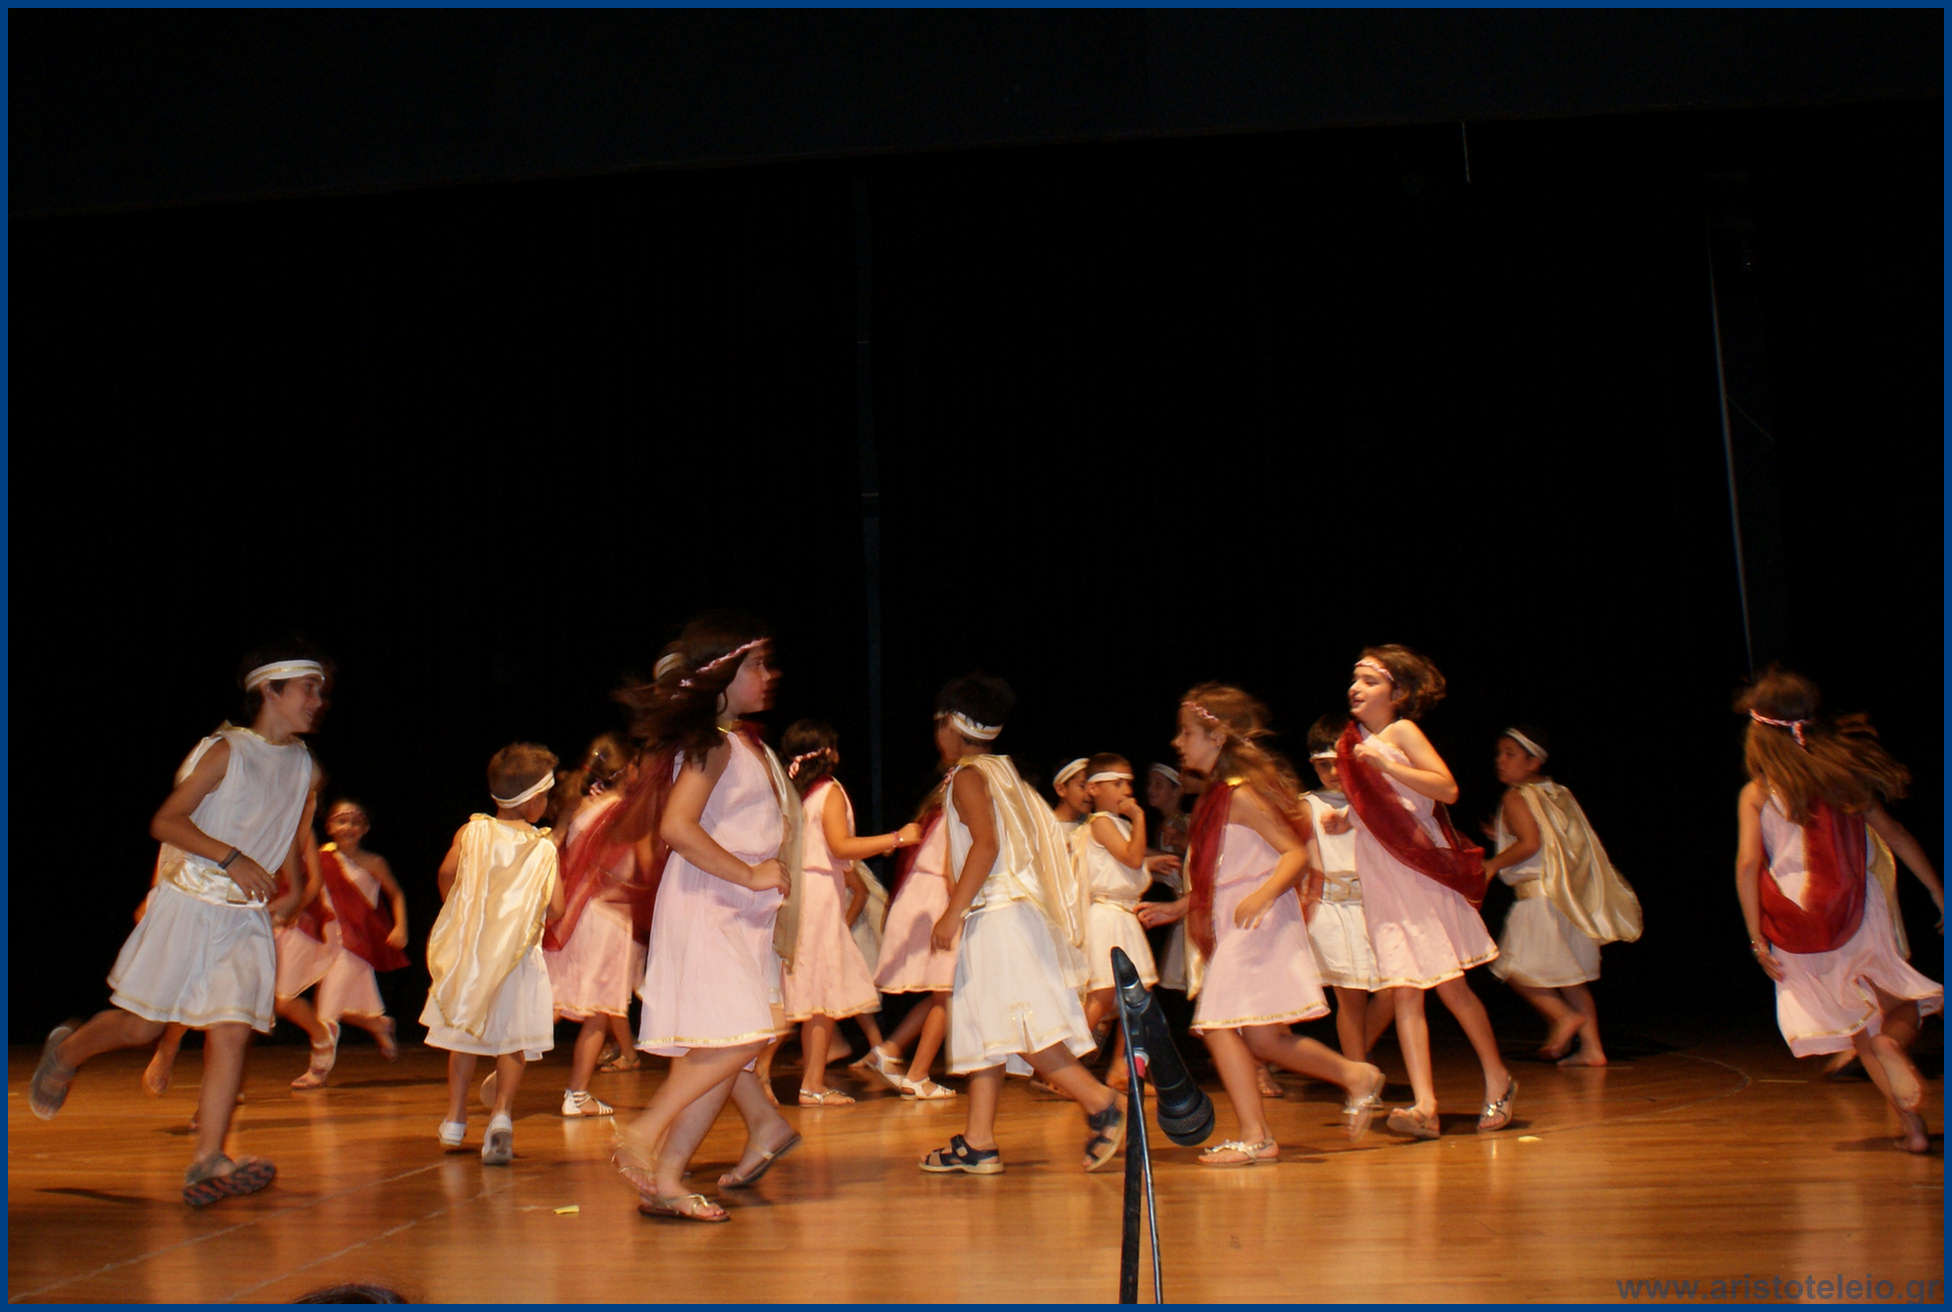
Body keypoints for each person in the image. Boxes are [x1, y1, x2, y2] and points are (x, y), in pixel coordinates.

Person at [31, 646, 327, 1206]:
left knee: (231, 1030)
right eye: (307, 688)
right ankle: (66, 1053)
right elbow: (166, 822)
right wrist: (232, 858)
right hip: (190, 902)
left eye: (319, 689)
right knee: (142, 1028)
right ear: (270, 691)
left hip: (243, 917)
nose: (318, 699)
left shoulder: (305, 766)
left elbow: (288, 825)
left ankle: (208, 1160)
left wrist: (288, 884)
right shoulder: (225, 751)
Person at [601, 614, 801, 1223]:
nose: (769, 675)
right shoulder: (712, 745)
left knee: (725, 1041)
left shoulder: (734, 742)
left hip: (736, 909)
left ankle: (668, 1177)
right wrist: (749, 874)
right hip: (711, 902)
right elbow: (677, 828)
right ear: (722, 675)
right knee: (741, 1035)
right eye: (756, 665)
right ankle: (645, 1131)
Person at [1140, 686, 1386, 1164]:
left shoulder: (1241, 795)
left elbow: (1294, 854)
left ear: (1216, 736)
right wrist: (1181, 907)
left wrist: (1265, 893)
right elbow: (1228, 873)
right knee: (1263, 1038)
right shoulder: (1218, 795)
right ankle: (1357, 1076)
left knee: (1217, 1025)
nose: (1177, 742)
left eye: (1186, 733)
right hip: (1243, 920)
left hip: (1259, 923)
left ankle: (1256, 1136)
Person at [918, 674, 1125, 1177]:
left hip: (997, 916)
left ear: (951, 726)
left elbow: (986, 846)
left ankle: (1101, 1103)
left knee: (1023, 1024)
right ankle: (979, 1141)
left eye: (938, 724)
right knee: (990, 1025)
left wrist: (952, 911)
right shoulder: (1003, 773)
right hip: (1010, 915)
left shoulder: (970, 776)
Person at [1733, 667, 1943, 1153]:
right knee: (1898, 1006)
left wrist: (1757, 938)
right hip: (1854, 907)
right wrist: (1937, 891)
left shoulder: (1756, 793)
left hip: (1797, 923)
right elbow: (1896, 835)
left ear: (1758, 735)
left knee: (1860, 1031)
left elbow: (1747, 864)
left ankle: (1913, 1131)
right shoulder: (1842, 779)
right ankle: (1896, 1051)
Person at [1325, 646, 1513, 1140]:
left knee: (1452, 988)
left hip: (1418, 873)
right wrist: (1347, 817)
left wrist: (1385, 765)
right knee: (1405, 991)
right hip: (1383, 877)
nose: (1356, 688)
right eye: (1355, 679)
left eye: (1369, 681)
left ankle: (1498, 1078)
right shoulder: (1358, 742)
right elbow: (1383, 807)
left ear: (1398, 693)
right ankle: (1426, 1106)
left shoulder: (1401, 733)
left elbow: (1445, 790)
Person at [422, 743, 565, 1163]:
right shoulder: (542, 848)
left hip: (473, 955)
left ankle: (455, 1119)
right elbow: (557, 906)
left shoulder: (472, 832)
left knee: (463, 1033)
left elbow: (446, 874)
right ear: (534, 800)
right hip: (518, 958)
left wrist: (459, 909)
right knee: (513, 1042)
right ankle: (501, 1116)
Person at [777, 719, 920, 1105]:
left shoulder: (797, 796)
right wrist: (897, 837)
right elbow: (840, 846)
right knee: (818, 993)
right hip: (819, 894)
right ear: (828, 753)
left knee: (810, 995)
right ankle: (807, 1084)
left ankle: (809, 1082)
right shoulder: (829, 792)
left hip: (800, 892)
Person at [1482, 726, 1641, 1068]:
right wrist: (1502, 835)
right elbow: (1553, 838)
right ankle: (1592, 1049)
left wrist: (1493, 864)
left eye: (1510, 754)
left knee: (1513, 970)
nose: (1500, 760)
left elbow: (1530, 843)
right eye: (1499, 754)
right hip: (1568, 900)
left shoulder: (1515, 796)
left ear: (1533, 762)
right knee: (1572, 979)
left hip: (1538, 900)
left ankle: (1563, 1018)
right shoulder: (1557, 793)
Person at [544, 734, 649, 1118]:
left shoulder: (577, 805)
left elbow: (553, 848)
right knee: (599, 1008)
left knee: (554, 1001)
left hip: (572, 916)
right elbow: (642, 868)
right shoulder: (627, 813)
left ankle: (507, 1066)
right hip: (608, 918)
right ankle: (577, 1094)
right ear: (626, 770)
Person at [1300, 716, 1395, 1079]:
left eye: (1338, 763)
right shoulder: (1308, 805)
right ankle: (1360, 1079)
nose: (1332, 773)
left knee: (1394, 989)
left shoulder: (1374, 801)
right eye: (1323, 765)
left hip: (1374, 907)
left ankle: (1353, 1064)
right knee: (1351, 996)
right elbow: (1306, 861)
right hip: (1332, 908)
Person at [856, 777, 960, 1099]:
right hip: (935, 901)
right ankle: (918, 1075)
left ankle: (889, 1049)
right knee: (948, 993)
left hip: (914, 898)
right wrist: (960, 910)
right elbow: (951, 871)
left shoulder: (930, 818)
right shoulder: (955, 819)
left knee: (942, 989)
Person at [1071, 753, 1156, 1092]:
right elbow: (1132, 858)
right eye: (1117, 783)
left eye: (1128, 783)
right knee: (1103, 994)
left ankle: (1122, 1069)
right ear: (1094, 788)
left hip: (1123, 915)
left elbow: (1132, 861)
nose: (1126, 790)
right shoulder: (1102, 822)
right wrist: (1140, 817)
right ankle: (1061, 1064)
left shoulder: (1118, 825)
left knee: (1136, 996)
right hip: (1106, 916)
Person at [1050, 758, 1091, 834]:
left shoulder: (1093, 823)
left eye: (1092, 787)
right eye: (1082, 786)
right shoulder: (1047, 827)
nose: (1090, 792)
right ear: (1061, 789)